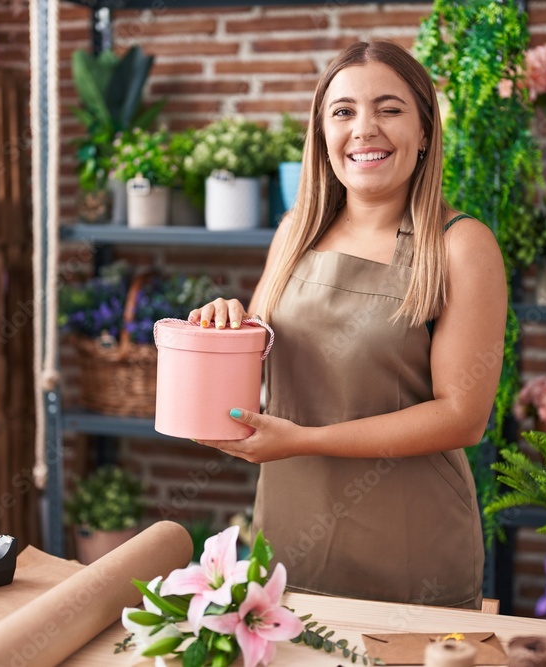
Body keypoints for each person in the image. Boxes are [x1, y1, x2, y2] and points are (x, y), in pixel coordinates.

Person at [188, 40, 508, 609]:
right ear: (322, 133)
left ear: (425, 131)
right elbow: (256, 360)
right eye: (344, 112)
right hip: (290, 531)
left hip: (411, 544)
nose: (365, 129)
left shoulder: (460, 245)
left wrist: (305, 441)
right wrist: (223, 327)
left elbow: (463, 417)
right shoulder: (295, 233)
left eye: (389, 109)